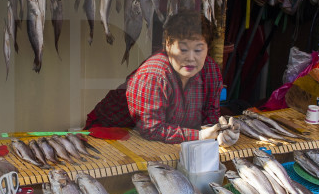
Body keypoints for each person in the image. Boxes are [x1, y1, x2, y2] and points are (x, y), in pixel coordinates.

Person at [85, 11, 223, 143]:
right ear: (168, 45)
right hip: (110, 131)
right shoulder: (154, 75)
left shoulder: (210, 71)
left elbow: (210, 116)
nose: (191, 58)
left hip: (165, 136)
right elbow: (152, 129)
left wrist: (219, 132)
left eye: (198, 50)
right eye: (183, 49)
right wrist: (199, 135)